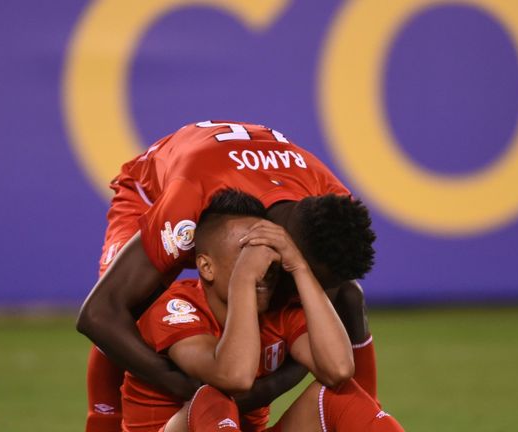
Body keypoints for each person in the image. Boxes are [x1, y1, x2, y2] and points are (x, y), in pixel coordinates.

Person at [77, 121, 379, 431]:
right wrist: (191, 388)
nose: (299, 296)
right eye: (300, 281)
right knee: (133, 307)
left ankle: (367, 412)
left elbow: (317, 340)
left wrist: (260, 391)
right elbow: (98, 315)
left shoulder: (334, 208)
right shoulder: (190, 203)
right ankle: (103, 422)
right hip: (155, 192)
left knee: (346, 298)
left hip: (233, 169)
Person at [121, 189, 403, 431]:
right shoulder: (176, 307)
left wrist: (299, 267)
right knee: (210, 397)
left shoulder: (279, 311)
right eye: (246, 252)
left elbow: (339, 370)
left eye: (269, 252)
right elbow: (234, 377)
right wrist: (244, 278)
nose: (263, 266)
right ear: (206, 267)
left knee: (336, 395)